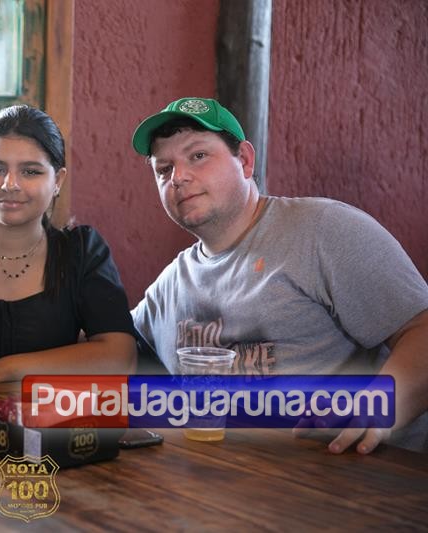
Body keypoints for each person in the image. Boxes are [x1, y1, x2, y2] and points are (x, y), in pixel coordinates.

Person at [130, 97, 428, 454]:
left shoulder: (324, 230)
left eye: (198, 155)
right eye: (164, 169)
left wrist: (378, 406)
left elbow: (421, 329)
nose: (178, 177)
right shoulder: (170, 285)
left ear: (244, 160)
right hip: (227, 478)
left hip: (355, 473)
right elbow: (110, 343)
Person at [0, 105, 136, 385]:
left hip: (52, 413)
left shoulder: (81, 252)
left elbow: (121, 357)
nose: (10, 184)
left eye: (31, 171)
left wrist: (6, 370)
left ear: (58, 181)